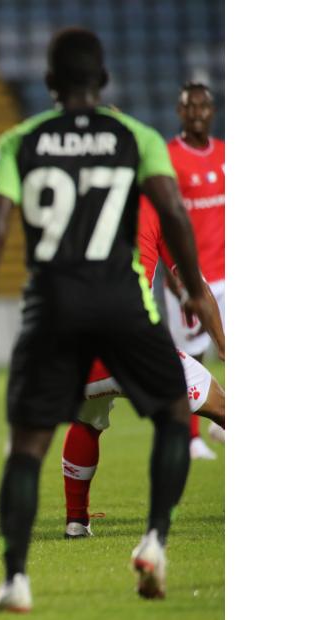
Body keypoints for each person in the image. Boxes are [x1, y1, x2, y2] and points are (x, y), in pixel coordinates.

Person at [0, 28, 214, 611]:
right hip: (123, 302)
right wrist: (197, 291)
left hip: (52, 305)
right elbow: (173, 211)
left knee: (27, 445)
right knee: (176, 417)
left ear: (49, 82)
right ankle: (155, 539)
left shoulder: (18, 140)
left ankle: (16, 578)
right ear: (102, 81)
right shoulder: (139, 138)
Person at [62, 198, 226, 537]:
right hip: (135, 349)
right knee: (223, 408)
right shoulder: (157, 208)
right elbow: (196, 288)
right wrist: (224, 345)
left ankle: (76, 521)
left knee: (85, 421)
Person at [160, 82, 226, 457]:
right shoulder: (168, 158)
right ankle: (191, 438)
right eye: (190, 106)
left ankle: (222, 425)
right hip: (189, 276)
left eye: (203, 106)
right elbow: (164, 223)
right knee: (191, 357)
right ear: (180, 112)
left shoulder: (226, 155)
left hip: (228, 275)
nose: (198, 112)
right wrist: (176, 283)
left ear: (212, 111)